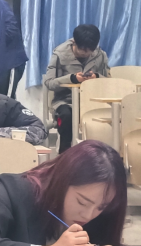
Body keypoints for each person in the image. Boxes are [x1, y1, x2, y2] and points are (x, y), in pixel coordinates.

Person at [0, 140, 127, 246]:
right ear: (62, 182)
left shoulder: (102, 216)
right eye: (82, 202)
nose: (88, 215)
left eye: (101, 207)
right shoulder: (12, 190)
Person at [43, 24, 110, 153]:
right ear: (74, 41)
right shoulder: (59, 54)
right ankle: (65, 154)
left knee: (106, 117)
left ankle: (98, 154)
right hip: (65, 101)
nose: (85, 53)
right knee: (66, 116)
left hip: (92, 101)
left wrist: (96, 77)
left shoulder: (100, 55)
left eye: (90, 50)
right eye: (82, 49)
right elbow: (49, 83)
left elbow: (108, 80)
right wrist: (72, 78)